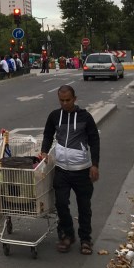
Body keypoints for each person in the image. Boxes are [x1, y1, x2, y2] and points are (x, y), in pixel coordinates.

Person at [40, 85, 100, 255]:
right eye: (62, 100)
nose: (65, 103)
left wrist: (95, 164)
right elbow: (47, 134)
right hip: (61, 170)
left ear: (75, 99)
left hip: (82, 170)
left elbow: (94, 140)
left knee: (84, 207)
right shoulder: (54, 116)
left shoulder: (85, 117)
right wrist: (44, 150)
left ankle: (85, 239)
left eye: (68, 100)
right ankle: (67, 235)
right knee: (60, 203)